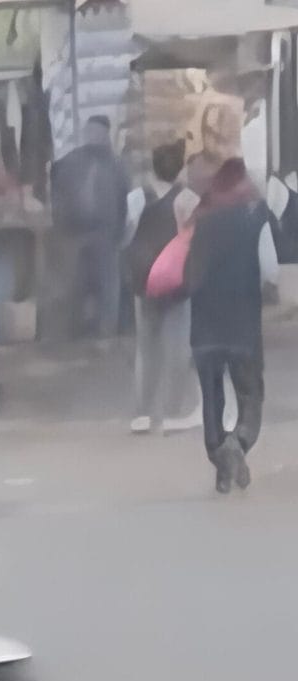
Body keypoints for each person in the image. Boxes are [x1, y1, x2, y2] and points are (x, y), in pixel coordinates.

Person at [185, 158, 284, 493]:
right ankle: (237, 445)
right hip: (242, 325)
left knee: (212, 397)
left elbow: (189, 273)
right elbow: (270, 270)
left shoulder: (202, 220)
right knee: (250, 395)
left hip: (204, 326)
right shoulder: (256, 218)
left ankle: (219, 456)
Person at [125, 141, 200, 435]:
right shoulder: (189, 199)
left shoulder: (136, 198)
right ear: (180, 168)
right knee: (178, 347)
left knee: (146, 347)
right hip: (177, 281)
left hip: (144, 281)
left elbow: (126, 235)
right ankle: (172, 410)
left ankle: (143, 412)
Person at [51, 117, 131, 339]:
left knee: (107, 286)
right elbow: (57, 187)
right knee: (75, 283)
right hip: (75, 231)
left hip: (106, 233)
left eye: (98, 132)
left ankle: (106, 335)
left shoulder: (117, 166)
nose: (93, 136)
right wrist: (60, 220)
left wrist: (120, 232)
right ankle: (74, 333)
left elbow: (126, 199)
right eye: (90, 131)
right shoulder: (71, 162)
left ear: (106, 136)